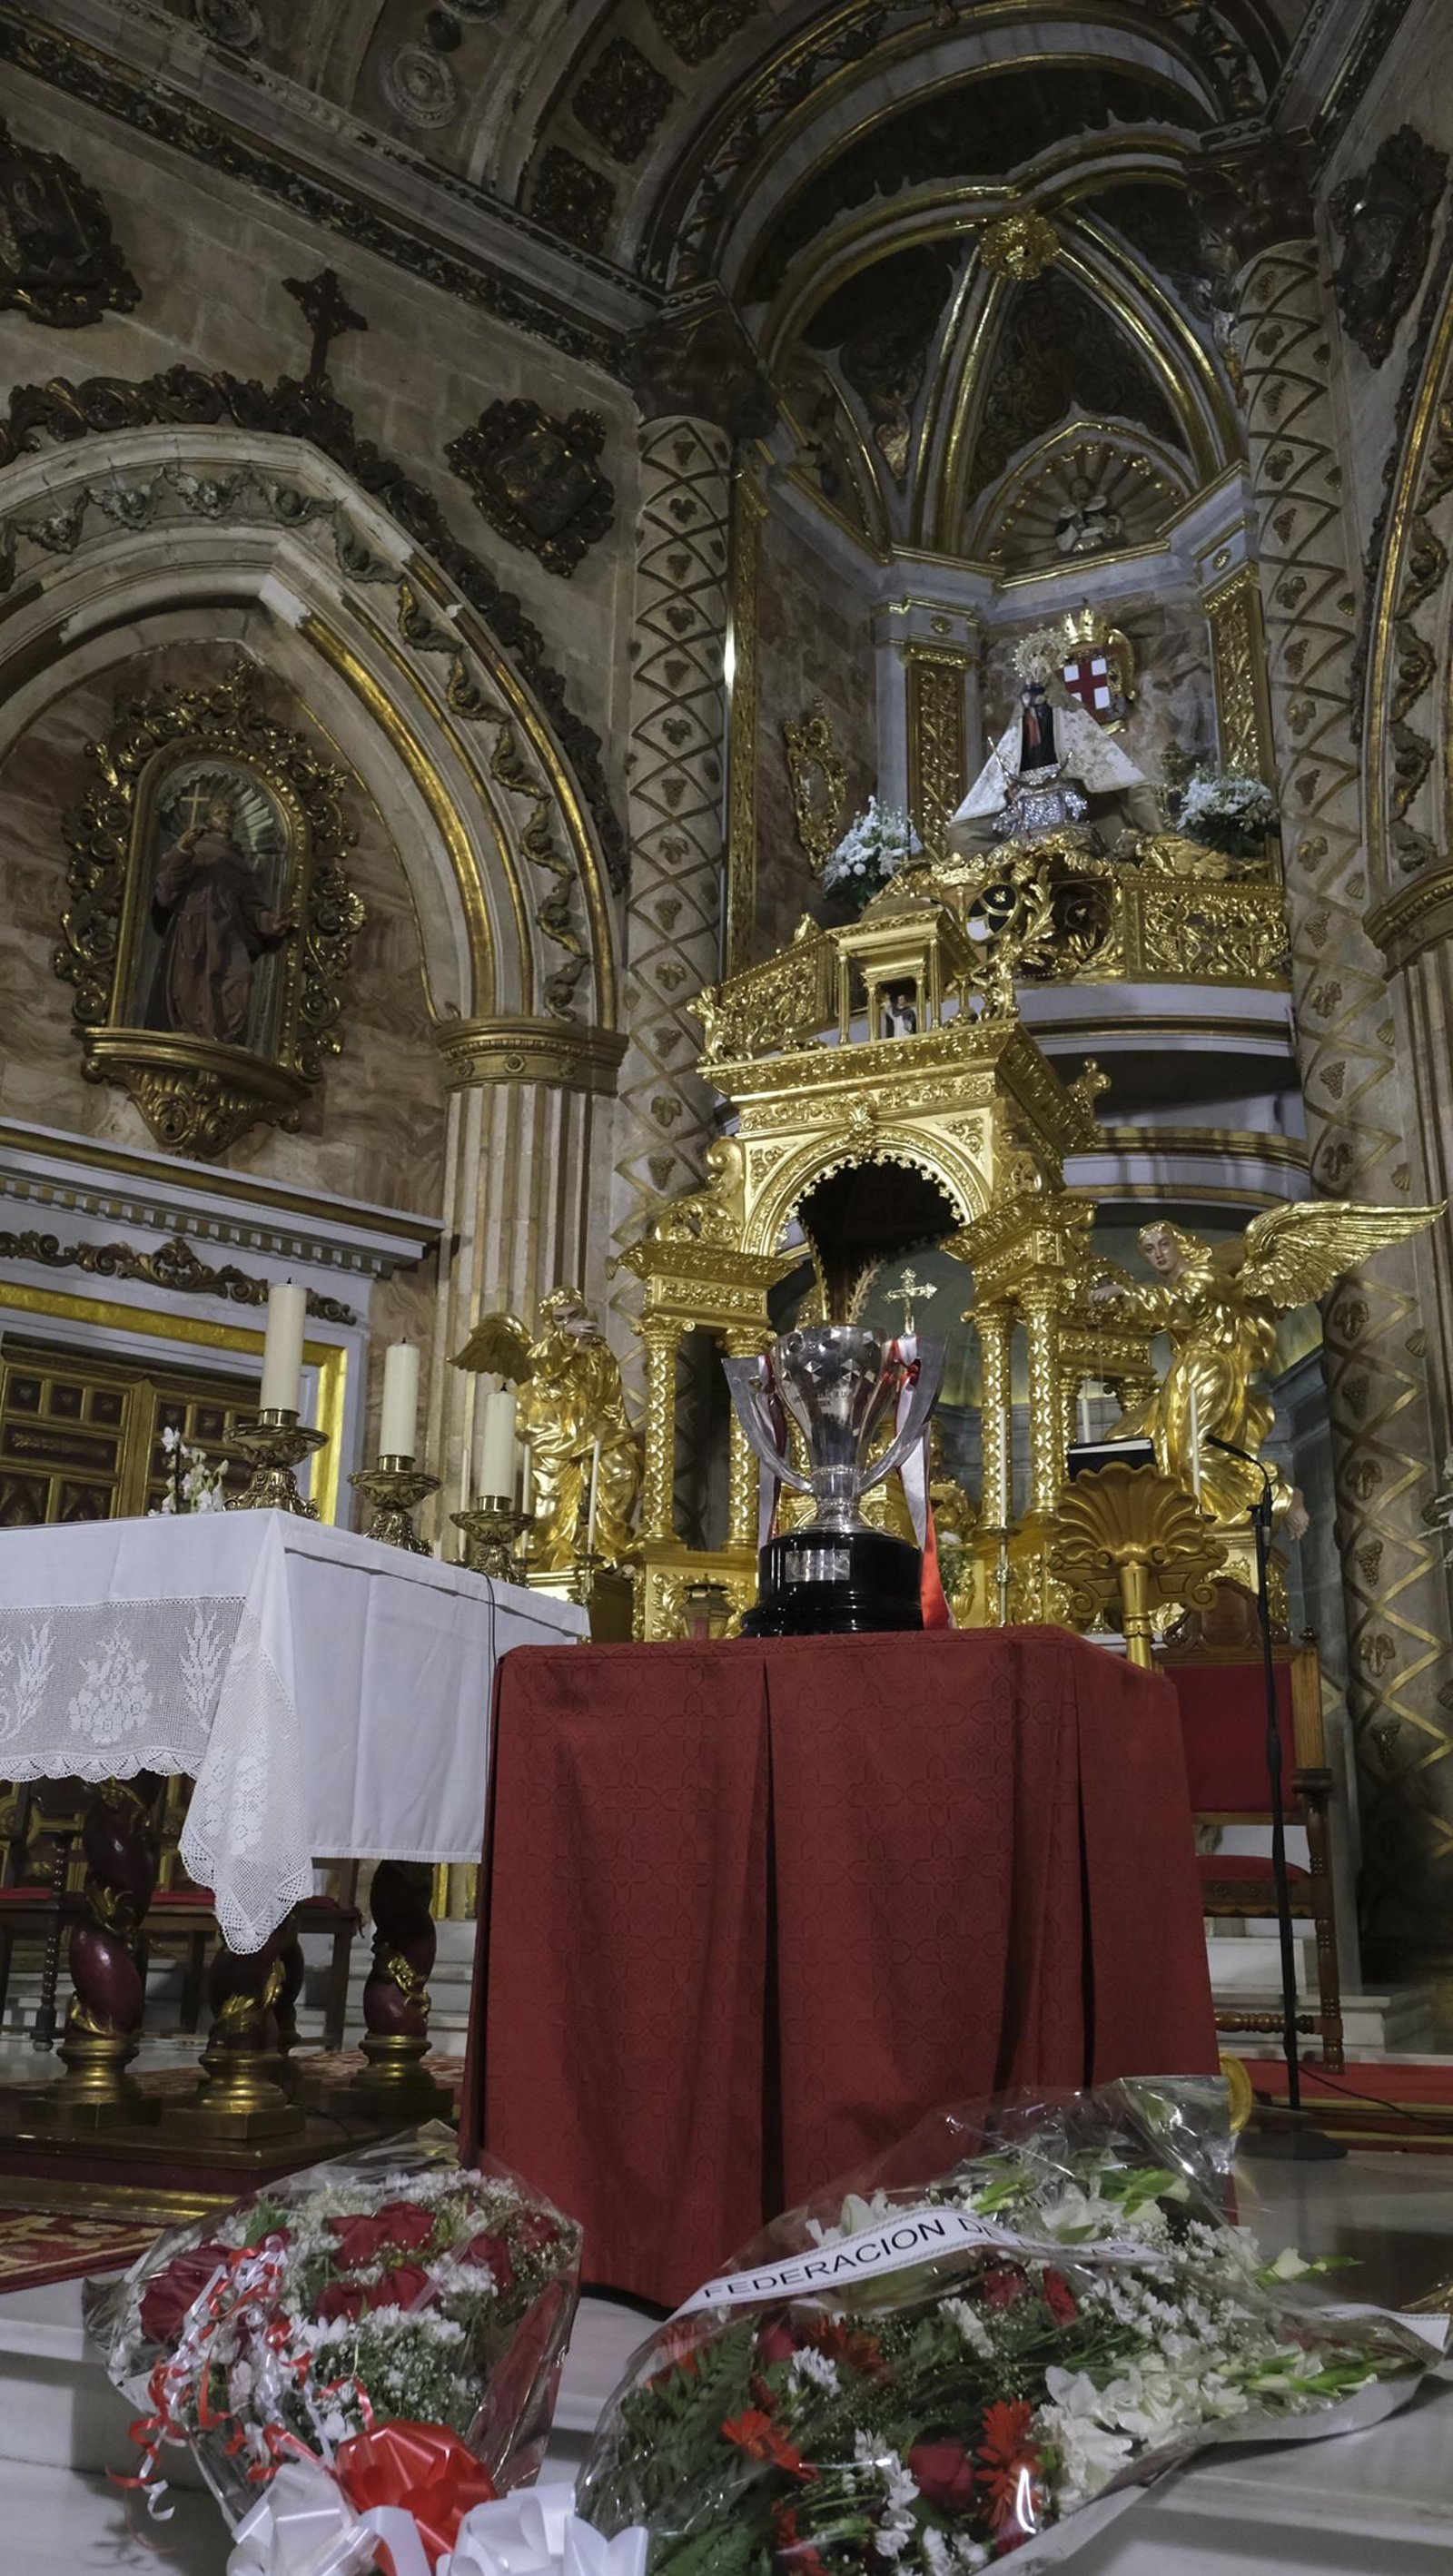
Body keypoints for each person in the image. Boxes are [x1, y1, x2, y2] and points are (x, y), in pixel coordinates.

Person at [149, 793, 292, 1046]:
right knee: (193, 979)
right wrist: (182, 849)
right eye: (219, 812)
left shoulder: (238, 862)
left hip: (228, 928)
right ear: (208, 819)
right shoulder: (198, 849)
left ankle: (225, 1036)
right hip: (195, 926)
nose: (226, 817)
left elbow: (250, 903)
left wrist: (272, 922)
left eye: (230, 814)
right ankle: (190, 1029)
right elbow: (169, 882)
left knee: (241, 974)